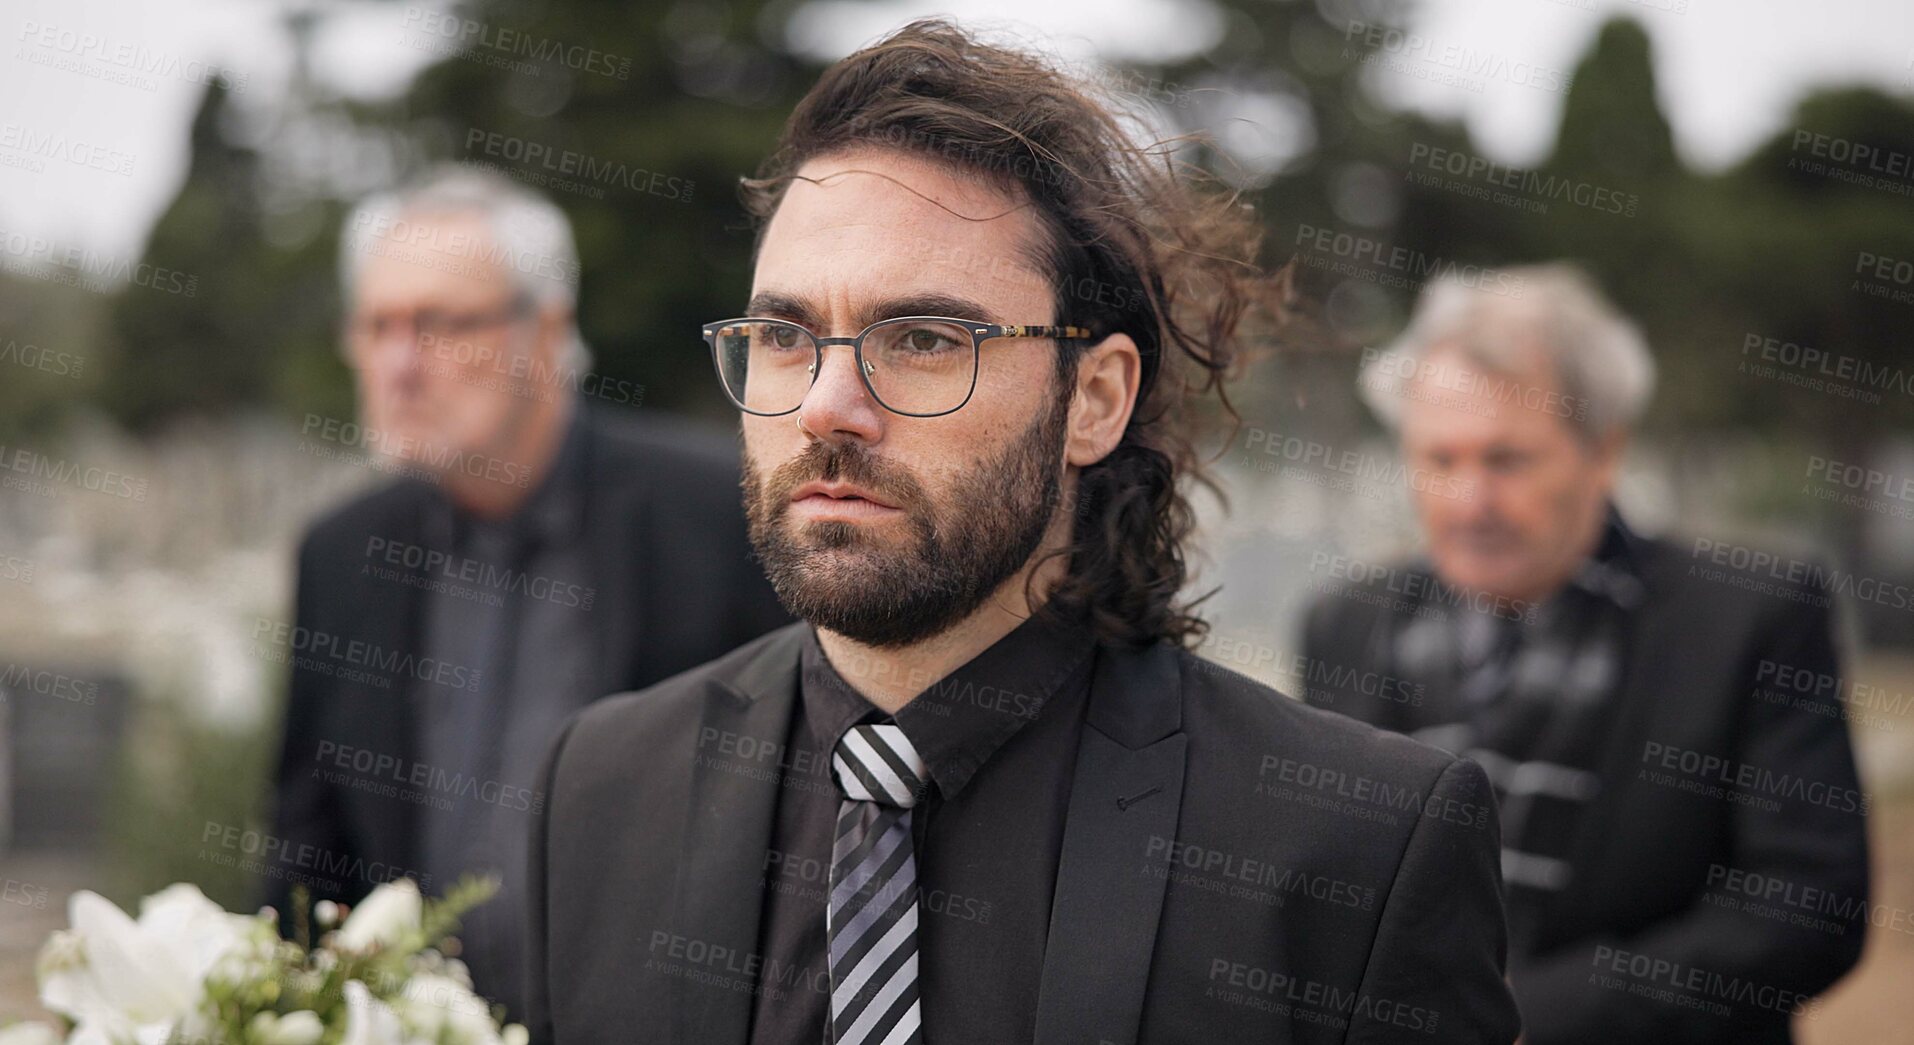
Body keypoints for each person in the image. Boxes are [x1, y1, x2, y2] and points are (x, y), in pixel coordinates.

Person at [525, 20, 1520, 1045]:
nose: (827, 404)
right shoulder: (601, 790)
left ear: (1094, 398)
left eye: (920, 339)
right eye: (784, 336)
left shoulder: (1357, 846)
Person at [267, 167, 790, 1021]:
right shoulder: (342, 552)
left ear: (546, 330)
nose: (399, 363)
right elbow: (305, 848)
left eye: (439, 323)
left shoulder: (719, 513)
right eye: (376, 325)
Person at [1301, 264, 1869, 1043]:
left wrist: (1529, 1015)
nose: (1469, 500)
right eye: (1439, 459)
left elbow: (1809, 905)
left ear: (1603, 451)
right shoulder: (1343, 625)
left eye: (1507, 460)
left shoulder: (1749, 617)